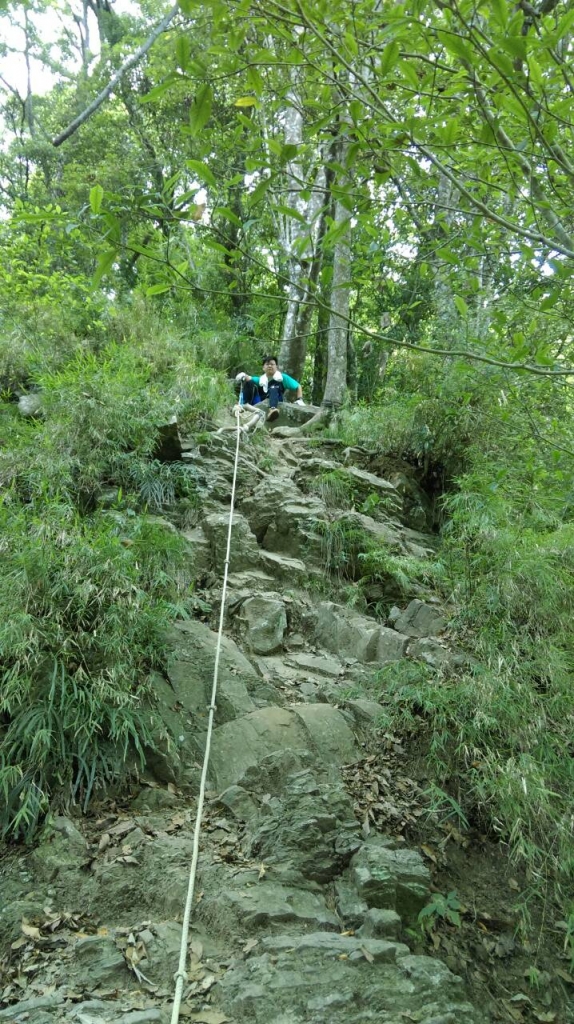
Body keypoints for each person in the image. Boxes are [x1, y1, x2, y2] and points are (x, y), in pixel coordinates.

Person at [235, 355, 304, 421]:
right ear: (263, 368)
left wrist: (299, 399)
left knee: (273, 387)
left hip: (277, 398)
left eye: (272, 364)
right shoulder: (261, 379)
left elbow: (298, 386)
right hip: (261, 400)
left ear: (276, 367)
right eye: (267, 364)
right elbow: (249, 378)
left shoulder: (283, 377)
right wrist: (243, 375)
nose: (270, 366)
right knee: (249, 382)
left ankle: (273, 410)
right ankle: (243, 405)